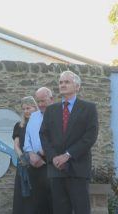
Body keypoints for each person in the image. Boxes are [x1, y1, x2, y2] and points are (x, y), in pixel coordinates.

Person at [40, 70, 98, 214]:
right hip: (56, 169)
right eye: (60, 82)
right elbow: (44, 135)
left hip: (78, 168)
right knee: (60, 210)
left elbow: (90, 136)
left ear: (77, 87)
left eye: (67, 82)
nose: (63, 85)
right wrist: (53, 157)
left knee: (81, 209)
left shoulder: (89, 108)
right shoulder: (51, 110)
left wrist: (67, 155)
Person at [23, 87, 54, 214]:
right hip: (35, 164)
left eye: (43, 101)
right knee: (38, 202)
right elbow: (27, 140)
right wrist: (31, 154)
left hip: (52, 163)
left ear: (51, 99)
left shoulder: (58, 114)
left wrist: (44, 153)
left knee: (53, 201)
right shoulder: (34, 117)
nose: (40, 104)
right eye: (38, 101)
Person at [12, 96, 38, 214]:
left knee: (36, 193)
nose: (26, 111)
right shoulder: (19, 125)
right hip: (23, 163)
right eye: (24, 109)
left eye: (29, 108)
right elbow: (16, 145)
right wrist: (22, 158)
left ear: (35, 108)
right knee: (22, 194)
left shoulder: (40, 123)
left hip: (37, 162)